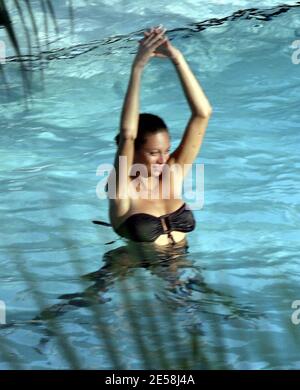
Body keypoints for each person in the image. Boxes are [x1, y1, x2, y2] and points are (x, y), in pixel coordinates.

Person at [107, 25, 213, 246]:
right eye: (154, 153)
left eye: (166, 150)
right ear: (132, 151)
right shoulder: (121, 190)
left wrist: (177, 59)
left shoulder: (171, 175)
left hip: (184, 270)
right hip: (132, 272)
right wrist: (138, 67)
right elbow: (128, 134)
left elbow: (203, 114)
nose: (163, 159)